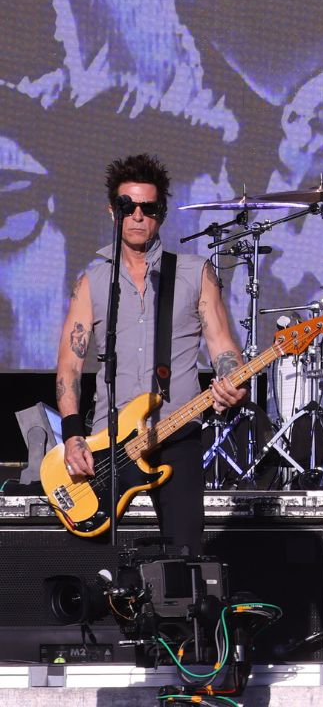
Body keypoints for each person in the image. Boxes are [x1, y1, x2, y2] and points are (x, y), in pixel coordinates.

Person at [53, 153, 247, 549]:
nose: (139, 216)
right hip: (107, 445)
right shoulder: (92, 282)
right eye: (129, 206)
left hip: (177, 432)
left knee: (185, 557)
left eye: (149, 207)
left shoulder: (195, 273)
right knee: (97, 565)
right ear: (113, 212)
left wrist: (232, 385)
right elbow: (69, 366)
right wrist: (73, 436)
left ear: (161, 213)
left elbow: (224, 349)